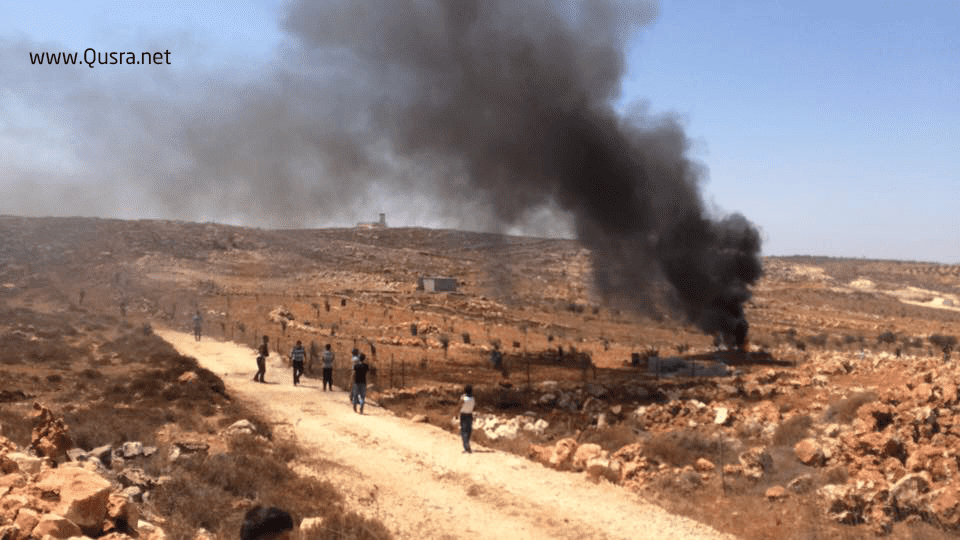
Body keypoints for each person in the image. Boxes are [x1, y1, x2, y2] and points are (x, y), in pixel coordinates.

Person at [452, 385, 475, 453]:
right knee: (468, 430)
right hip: (470, 415)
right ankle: (467, 443)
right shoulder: (472, 398)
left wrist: (456, 413)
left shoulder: (464, 397)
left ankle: (466, 446)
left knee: (464, 431)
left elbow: (459, 405)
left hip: (464, 415)